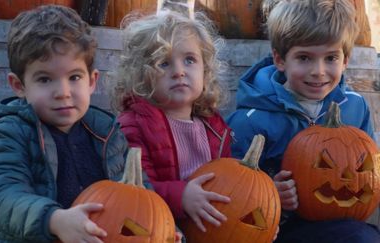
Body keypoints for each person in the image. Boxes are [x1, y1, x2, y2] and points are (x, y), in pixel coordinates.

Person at [0, 5, 157, 243]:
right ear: (19, 86)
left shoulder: (107, 133)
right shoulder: (11, 133)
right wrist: (53, 219)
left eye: (74, 77)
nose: (63, 92)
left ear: (92, 81)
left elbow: (141, 195)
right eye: (45, 79)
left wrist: (162, 230)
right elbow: (0, 193)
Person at [226, 0, 380, 242]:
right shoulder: (251, 120)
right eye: (305, 58)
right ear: (280, 60)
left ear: (346, 60)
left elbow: (370, 169)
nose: (318, 71)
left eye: (331, 58)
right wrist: (271, 193)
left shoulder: (355, 107)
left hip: (341, 225)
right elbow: (231, 190)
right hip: (274, 230)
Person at [110, 10, 233, 233]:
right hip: (159, 229)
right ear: (142, 75)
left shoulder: (213, 126)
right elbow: (134, 190)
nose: (179, 72)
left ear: (205, 70)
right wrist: (181, 196)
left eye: (189, 60)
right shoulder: (134, 126)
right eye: (164, 63)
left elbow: (232, 183)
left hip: (210, 229)